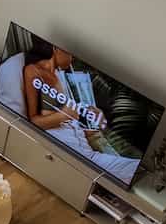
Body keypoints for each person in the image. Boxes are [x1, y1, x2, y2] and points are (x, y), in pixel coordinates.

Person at [22, 43, 139, 184]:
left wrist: (94, 117)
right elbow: (34, 122)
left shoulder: (60, 77)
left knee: (135, 169)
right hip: (73, 156)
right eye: (70, 54)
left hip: (86, 153)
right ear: (56, 48)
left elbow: (75, 124)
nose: (73, 59)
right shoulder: (33, 70)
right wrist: (65, 115)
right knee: (131, 172)